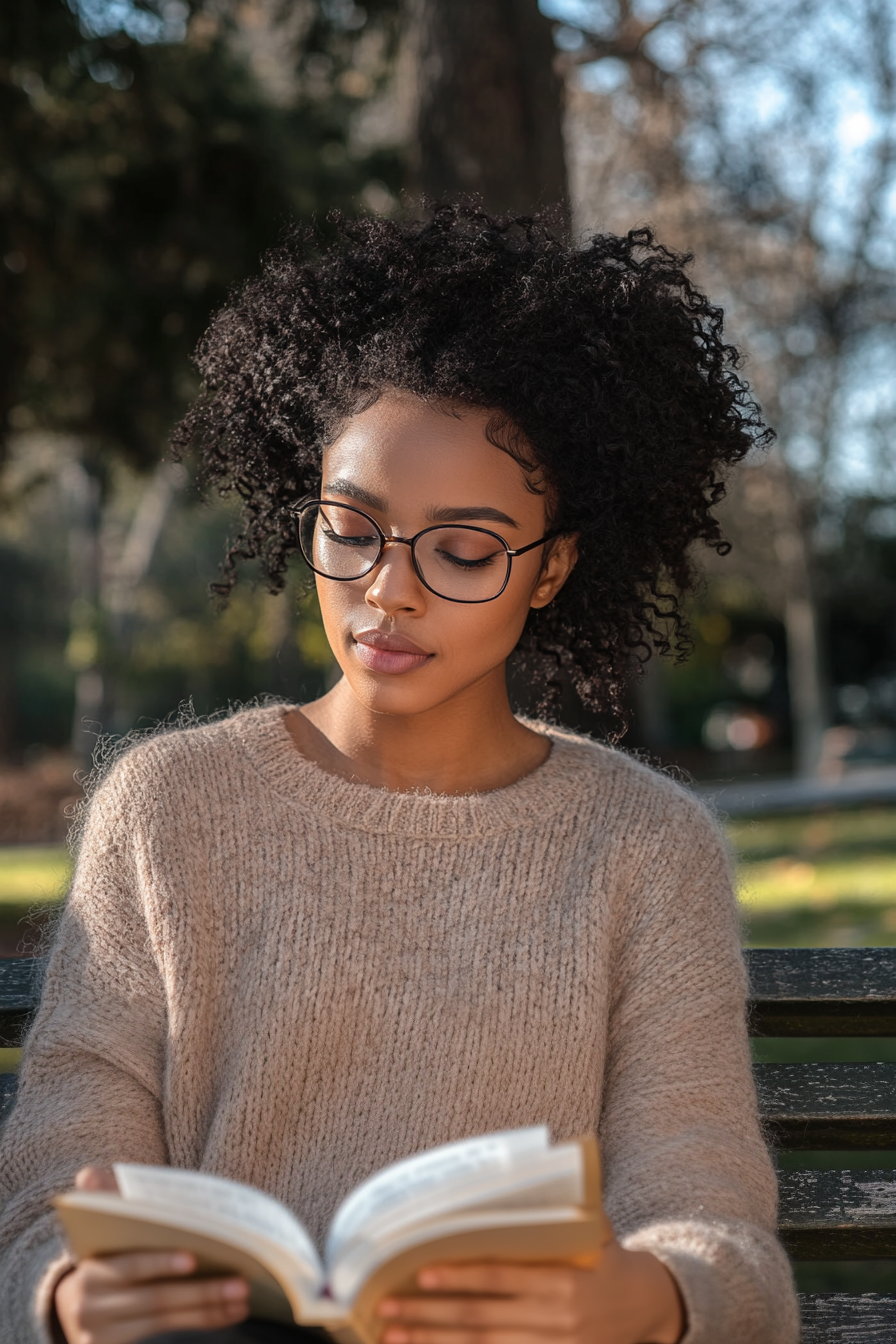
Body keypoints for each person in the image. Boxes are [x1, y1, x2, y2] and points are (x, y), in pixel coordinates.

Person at [0, 206, 799, 1344]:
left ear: (551, 568)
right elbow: (52, 1192)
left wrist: (647, 1296)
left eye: (465, 550)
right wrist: (70, 1294)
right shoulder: (167, 807)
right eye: (352, 527)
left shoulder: (641, 848)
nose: (388, 591)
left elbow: (711, 1226)